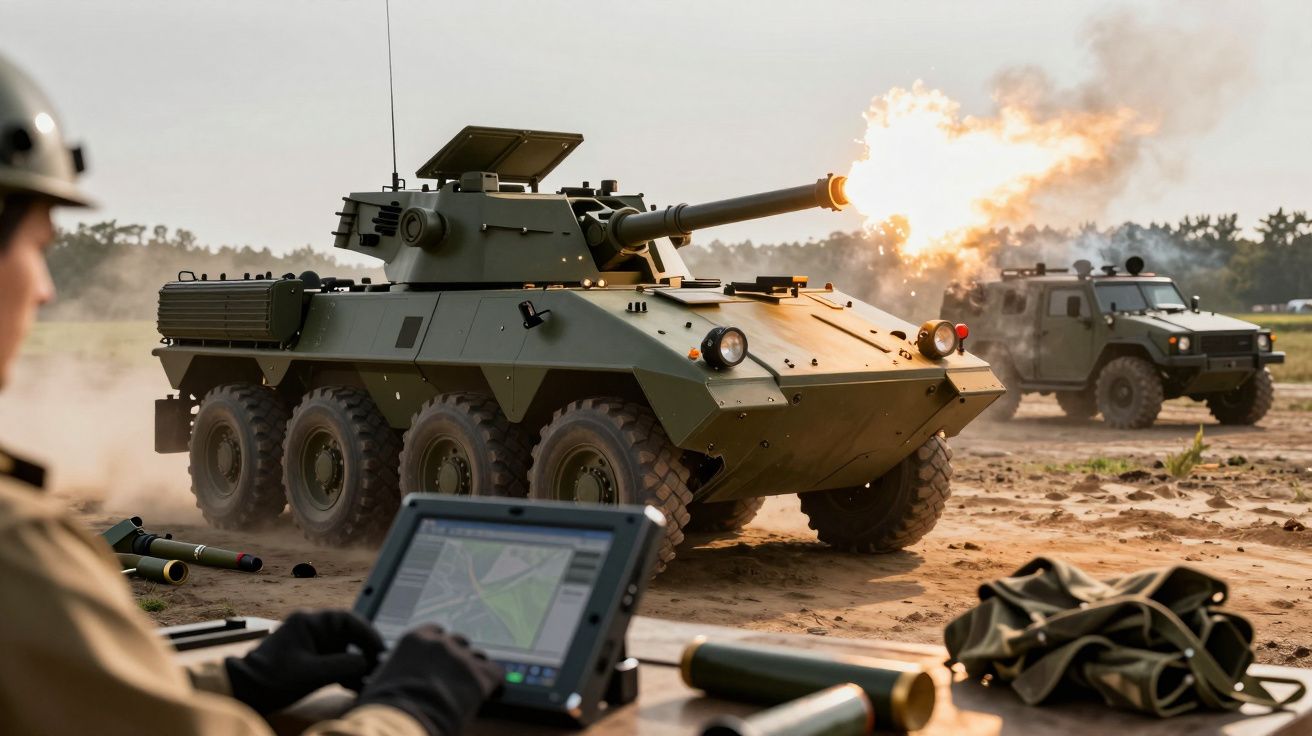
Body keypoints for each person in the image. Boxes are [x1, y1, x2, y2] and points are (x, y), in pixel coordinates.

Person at [0, 52, 502, 736]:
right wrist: (407, 713)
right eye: (38, 244)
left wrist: (232, 681)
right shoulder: (17, 551)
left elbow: (61, 698)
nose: (45, 286)